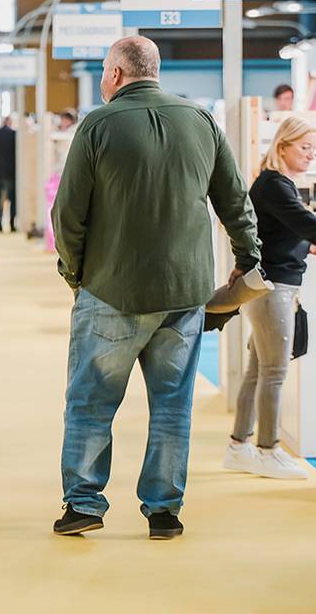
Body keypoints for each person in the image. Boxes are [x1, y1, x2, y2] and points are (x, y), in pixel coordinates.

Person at [50, 36, 260, 540]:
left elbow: (68, 214)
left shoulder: (99, 124)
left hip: (111, 290)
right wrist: (247, 256)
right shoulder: (201, 122)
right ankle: (163, 509)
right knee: (171, 405)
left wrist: (75, 274)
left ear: (117, 74)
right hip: (183, 295)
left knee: (91, 401)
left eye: (104, 70)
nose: (104, 78)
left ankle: (84, 502)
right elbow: (234, 198)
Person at [224, 117, 316, 479]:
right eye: (304, 147)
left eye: (313, 148)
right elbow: (302, 222)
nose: (311, 155)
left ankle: (239, 444)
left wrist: (307, 245)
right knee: (274, 372)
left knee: (257, 370)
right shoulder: (276, 185)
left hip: (266, 285)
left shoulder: (275, 184)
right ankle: (268, 448)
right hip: (273, 287)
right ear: (283, 147)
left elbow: (281, 231)